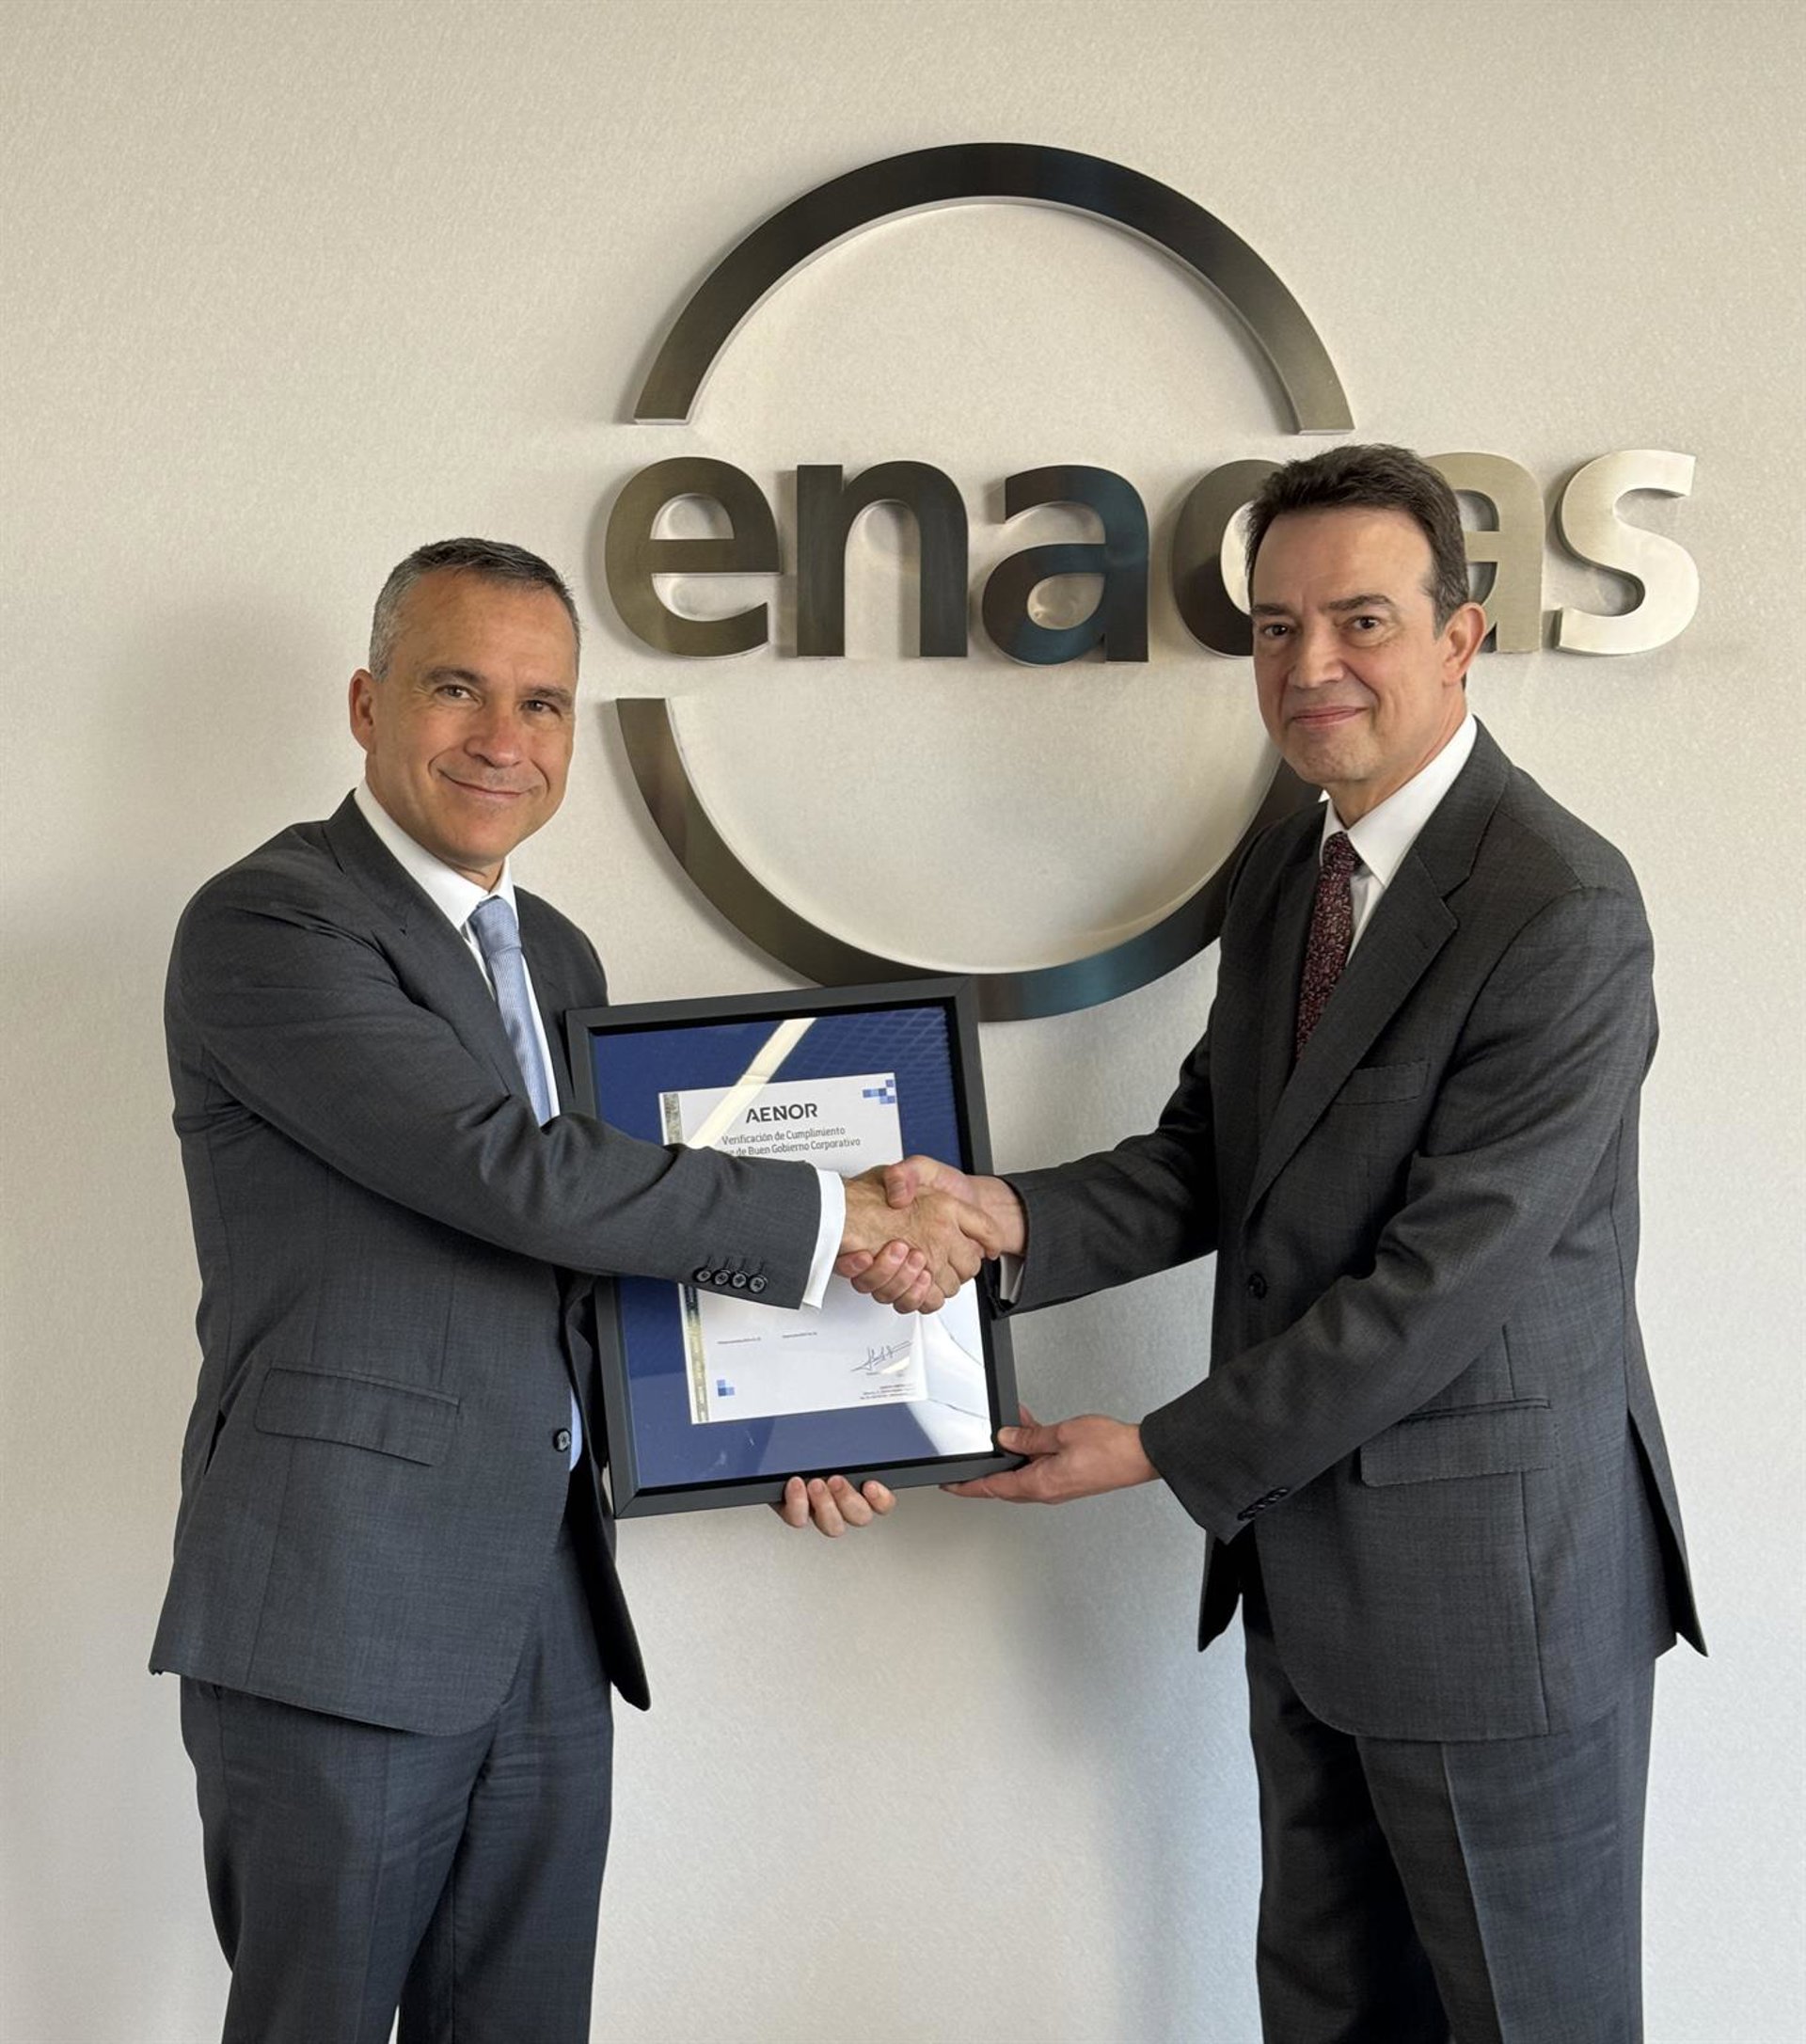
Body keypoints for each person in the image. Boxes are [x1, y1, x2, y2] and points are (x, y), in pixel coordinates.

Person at [846, 446, 1703, 2040]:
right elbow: (1214, 1154)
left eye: (1362, 620)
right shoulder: (1291, 868)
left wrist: (1154, 1449)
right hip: (1308, 1584)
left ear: (1462, 636)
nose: (1312, 665)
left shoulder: (1562, 908)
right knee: (1323, 2011)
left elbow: (1435, 1292)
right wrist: (998, 1216)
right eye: (1275, 626)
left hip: (1496, 1600)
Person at [150, 537, 998, 2044]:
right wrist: (840, 1215)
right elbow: (510, 1172)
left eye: (542, 703)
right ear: (366, 702)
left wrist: (774, 1426)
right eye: (457, 687)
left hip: (544, 1604)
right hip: (340, 1605)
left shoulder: (555, 954)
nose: (504, 736)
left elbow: (598, 1252)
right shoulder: (272, 924)